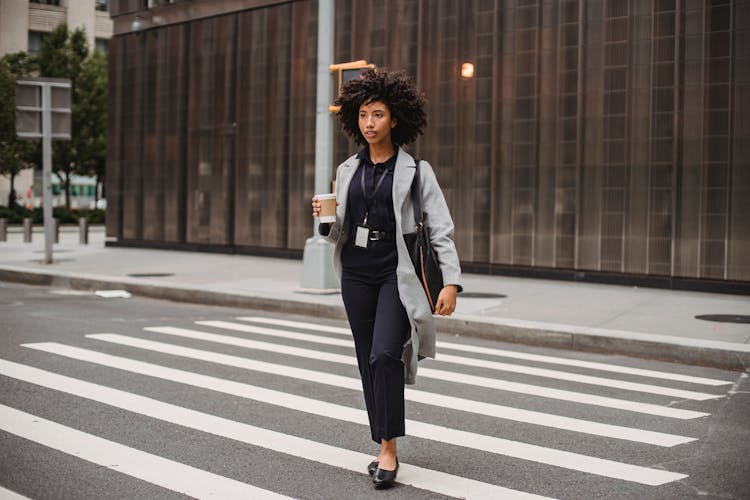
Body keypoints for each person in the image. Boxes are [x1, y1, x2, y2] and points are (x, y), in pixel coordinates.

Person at [311, 69, 462, 489]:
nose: (370, 123)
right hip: (356, 274)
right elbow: (338, 229)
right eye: (363, 115)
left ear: (395, 119)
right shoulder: (347, 169)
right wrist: (324, 224)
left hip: (397, 273)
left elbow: (441, 229)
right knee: (366, 360)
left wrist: (450, 281)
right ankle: (382, 440)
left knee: (384, 355)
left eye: (378, 114)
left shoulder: (416, 172)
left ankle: (389, 450)